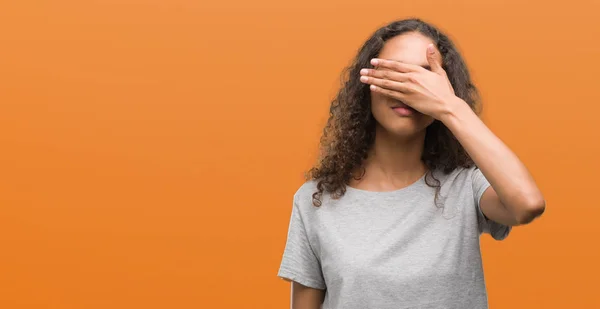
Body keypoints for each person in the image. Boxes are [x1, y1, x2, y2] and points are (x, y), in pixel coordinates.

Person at [277, 18, 545, 309]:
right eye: (395, 73)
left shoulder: (466, 186)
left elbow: (527, 204)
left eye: (424, 77)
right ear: (366, 84)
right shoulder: (315, 202)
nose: (409, 89)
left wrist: (450, 106)